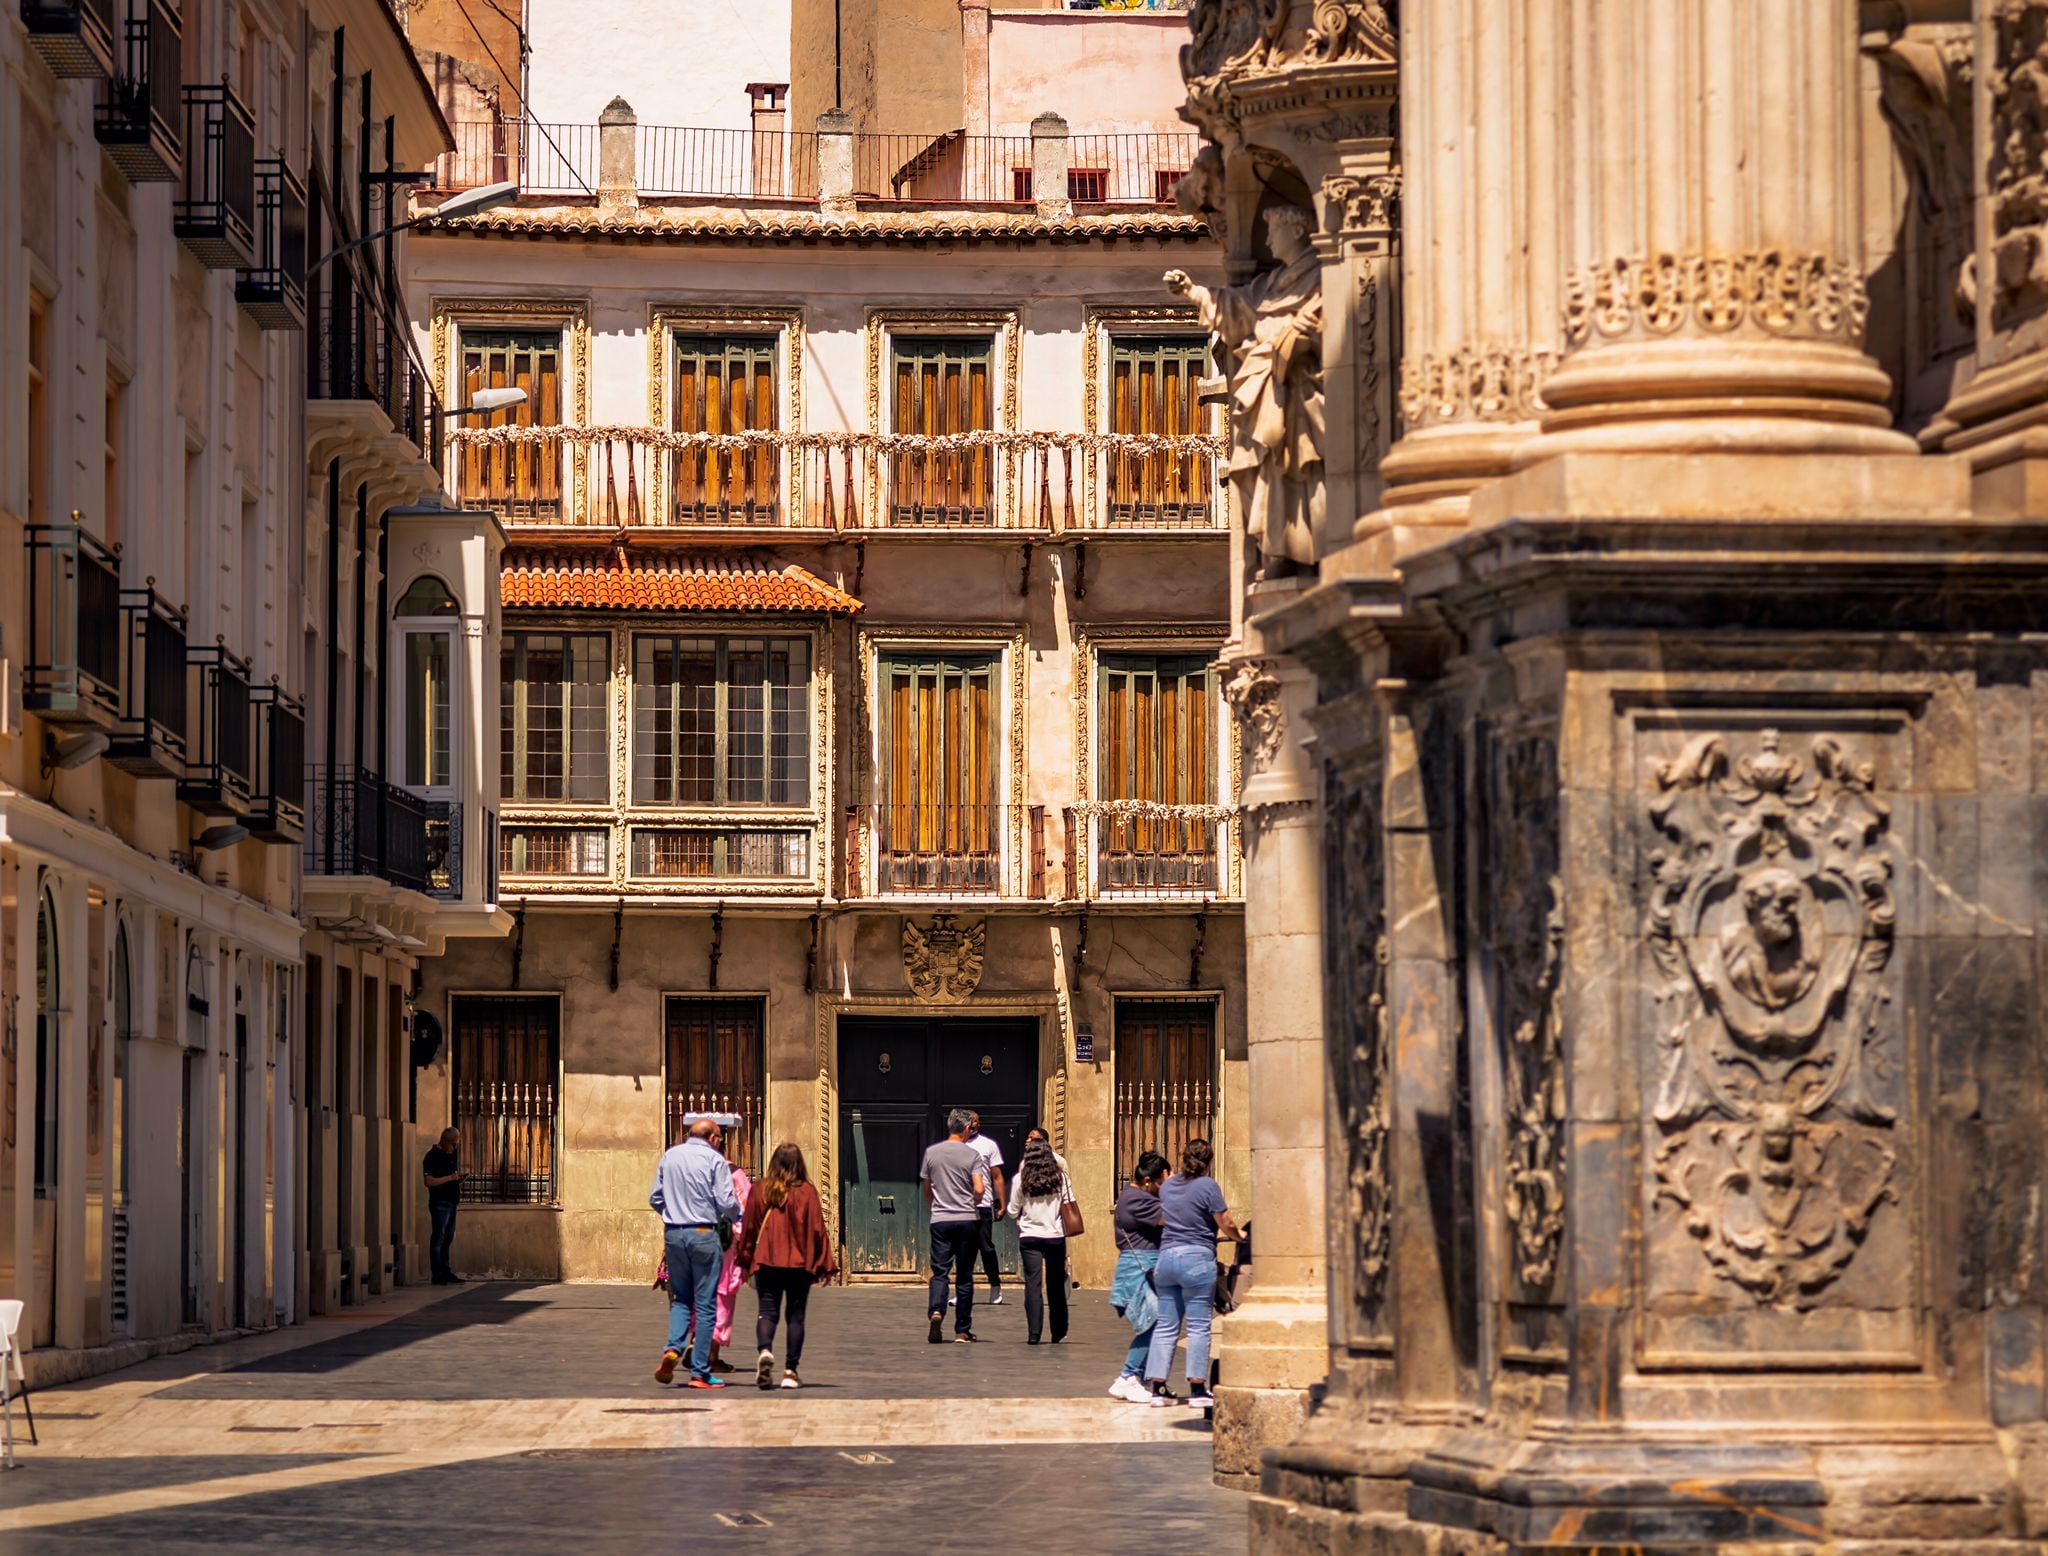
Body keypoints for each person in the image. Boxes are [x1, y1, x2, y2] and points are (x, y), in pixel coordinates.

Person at [1144, 1138, 1243, 1408]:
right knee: (1199, 1325)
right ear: (1208, 1161)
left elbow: (1165, 1215)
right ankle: (1198, 1389)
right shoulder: (1208, 1187)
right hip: (1196, 1260)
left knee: (1166, 1325)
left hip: (1166, 1260)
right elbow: (1226, 1222)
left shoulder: (1169, 1185)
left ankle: (1158, 1389)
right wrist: (1239, 1237)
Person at [735, 1142, 837, 1389]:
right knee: (795, 1317)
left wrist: (745, 1260)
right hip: (799, 1265)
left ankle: (765, 1350)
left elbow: (749, 1228)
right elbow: (817, 1230)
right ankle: (790, 1371)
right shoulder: (807, 1192)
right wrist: (825, 1264)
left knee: (767, 1312)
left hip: (767, 1261)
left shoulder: (760, 1190)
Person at [649, 1116, 742, 1388]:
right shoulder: (715, 1161)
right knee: (705, 1304)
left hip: (674, 1234)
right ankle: (700, 1372)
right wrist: (736, 1216)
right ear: (712, 1138)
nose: (720, 1144)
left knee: (680, 1298)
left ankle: (673, 1349)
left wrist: (673, 1214)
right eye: (720, 1140)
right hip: (704, 1234)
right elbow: (727, 1202)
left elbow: (655, 1197)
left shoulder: (670, 1156)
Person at [920, 1109, 988, 1344]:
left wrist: (938, 1205)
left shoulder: (931, 1153)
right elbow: (979, 1189)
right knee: (965, 1276)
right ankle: (962, 1331)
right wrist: (973, 1200)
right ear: (968, 1128)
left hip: (940, 1219)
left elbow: (927, 1190)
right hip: (967, 1219)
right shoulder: (972, 1155)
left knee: (940, 1271)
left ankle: (937, 1311)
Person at [1108, 1151, 1169, 1401]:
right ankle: (1127, 1377)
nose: (1164, 1188)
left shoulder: (1138, 1196)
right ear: (1148, 1181)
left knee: (1156, 1321)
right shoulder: (1137, 1200)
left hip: (1146, 1268)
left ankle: (1137, 1377)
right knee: (1152, 1321)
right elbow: (1172, 1217)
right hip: (1137, 1270)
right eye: (1161, 1182)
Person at [1006, 1139, 1076, 1345]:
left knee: (1033, 1285)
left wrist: (1019, 1214)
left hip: (1029, 1236)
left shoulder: (1020, 1179)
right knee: (1055, 1285)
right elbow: (1069, 1202)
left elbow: (1012, 1210)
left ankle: (1034, 1333)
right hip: (1055, 1236)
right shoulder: (1060, 1178)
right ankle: (1058, 1330)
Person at [964, 1112, 1006, 1306]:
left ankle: (995, 1285)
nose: (973, 1125)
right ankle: (962, 1289)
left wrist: (1001, 1201)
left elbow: (997, 1176)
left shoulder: (988, 1145)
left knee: (986, 1247)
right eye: (969, 1121)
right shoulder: (954, 1144)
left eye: (976, 1121)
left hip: (982, 1204)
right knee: (962, 1250)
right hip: (960, 1205)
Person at [422, 1127, 464, 1285]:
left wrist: (457, 1179)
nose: (455, 1147)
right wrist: (449, 1178)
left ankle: (446, 1271)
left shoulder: (450, 1155)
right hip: (440, 1203)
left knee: (448, 1238)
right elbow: (429, 1182)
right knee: (438, 1238)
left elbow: (450, 1178)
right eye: (454, 1144)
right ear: (446, 1141)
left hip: (452, 1202)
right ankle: (437, 1273)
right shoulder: (432, 1157)